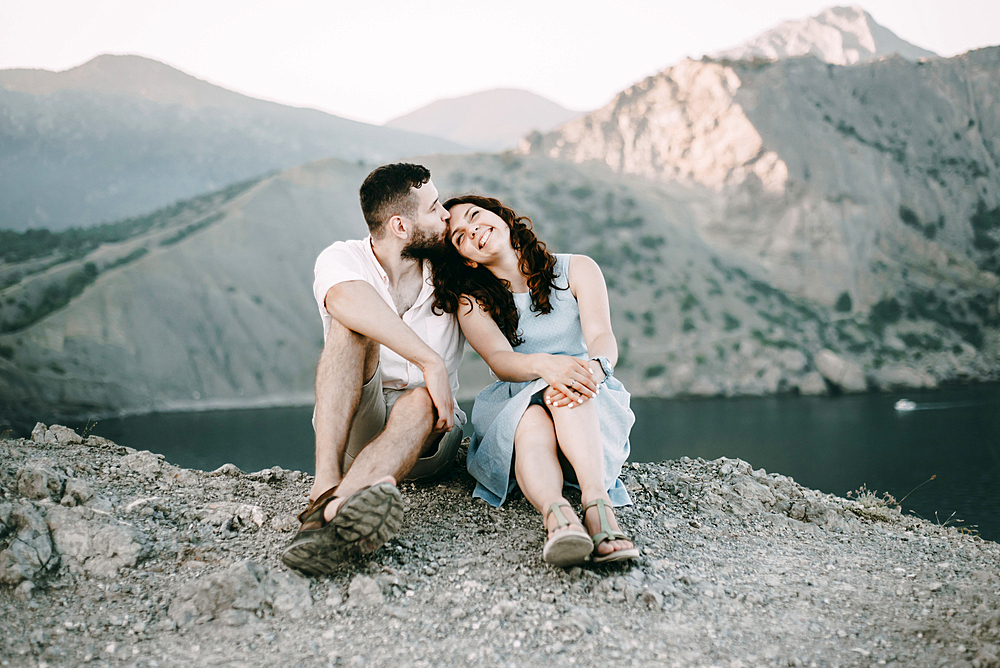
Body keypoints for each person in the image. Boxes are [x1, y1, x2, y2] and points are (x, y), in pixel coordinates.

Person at [430, 194, 639, 566]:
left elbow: (602, 335)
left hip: (584, 391)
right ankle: (558, 517)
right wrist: (545, 367)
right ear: (465, 259)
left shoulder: (578, 268)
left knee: (568, 390)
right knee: (531, 421)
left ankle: (596, 505)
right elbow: (500, 360)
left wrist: (595, 370)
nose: (473, 230)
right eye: (460, 236)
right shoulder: (471, 301)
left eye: (476, 216)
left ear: (500, 216)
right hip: (519, 396)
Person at [281, 163, 465, 575]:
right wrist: (428, 359)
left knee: (419, 399)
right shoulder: (343, 257)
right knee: (351, 328)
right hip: (359, 426)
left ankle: (324, 518)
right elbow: (343, 300)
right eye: (434, 208)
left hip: (430, 434)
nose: (446, 216)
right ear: (401, 225)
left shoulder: (451, 265)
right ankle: (328, 490)